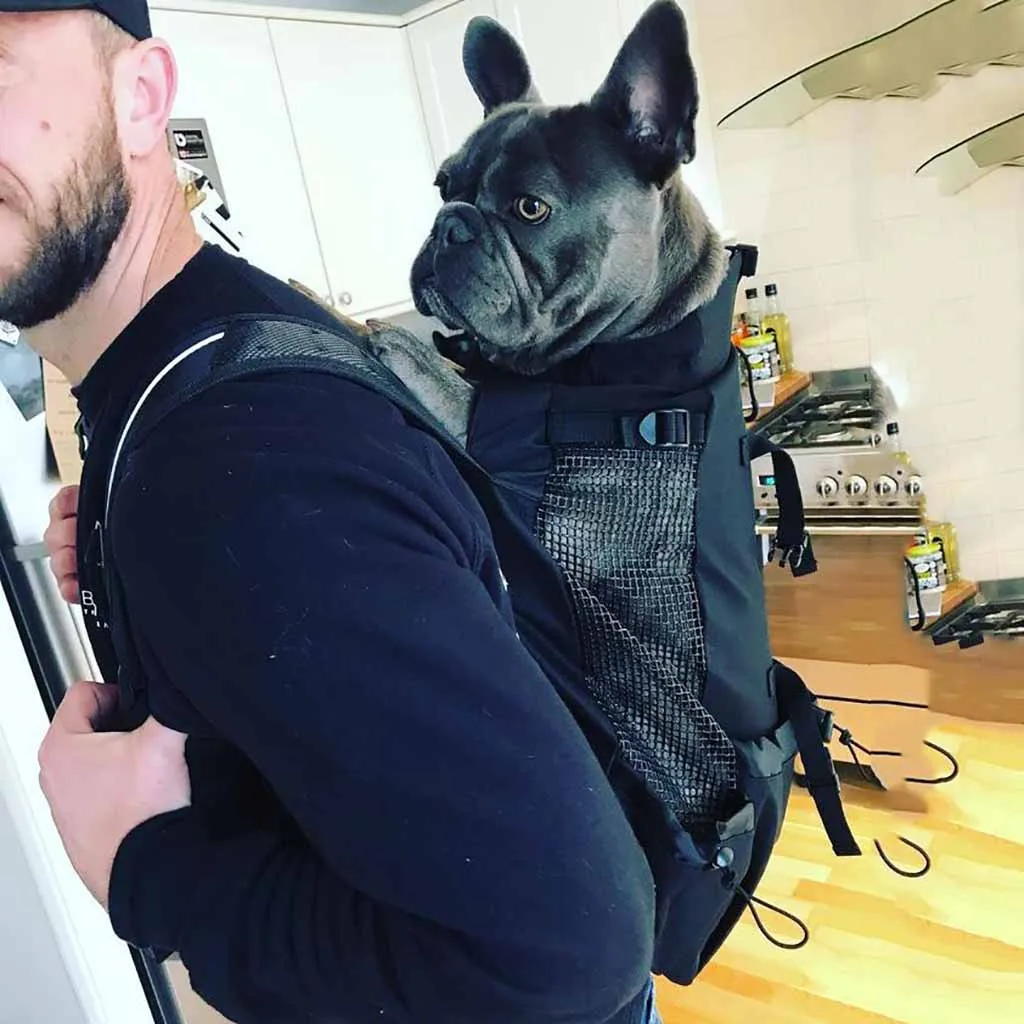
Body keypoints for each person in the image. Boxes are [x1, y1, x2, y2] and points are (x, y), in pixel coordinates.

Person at [2, 2, 662, 1021]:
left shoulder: (234, 461)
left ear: (141, 98)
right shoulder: (212, 347)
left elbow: (565, 954)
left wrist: (145, 865)